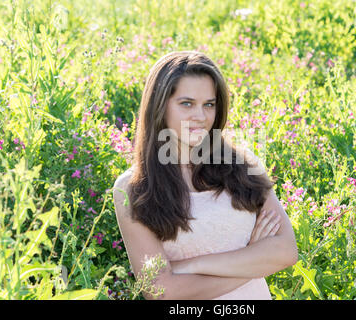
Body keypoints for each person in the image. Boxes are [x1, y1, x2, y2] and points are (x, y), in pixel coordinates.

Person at [112, 51, 298, 300]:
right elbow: (161, 292)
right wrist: (254, 260)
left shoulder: (243, 166)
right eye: (186, 103)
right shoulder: (133, 189)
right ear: (160, 106)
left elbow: (286, 251)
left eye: (209, 104)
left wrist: (192, 265)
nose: (200, 116)